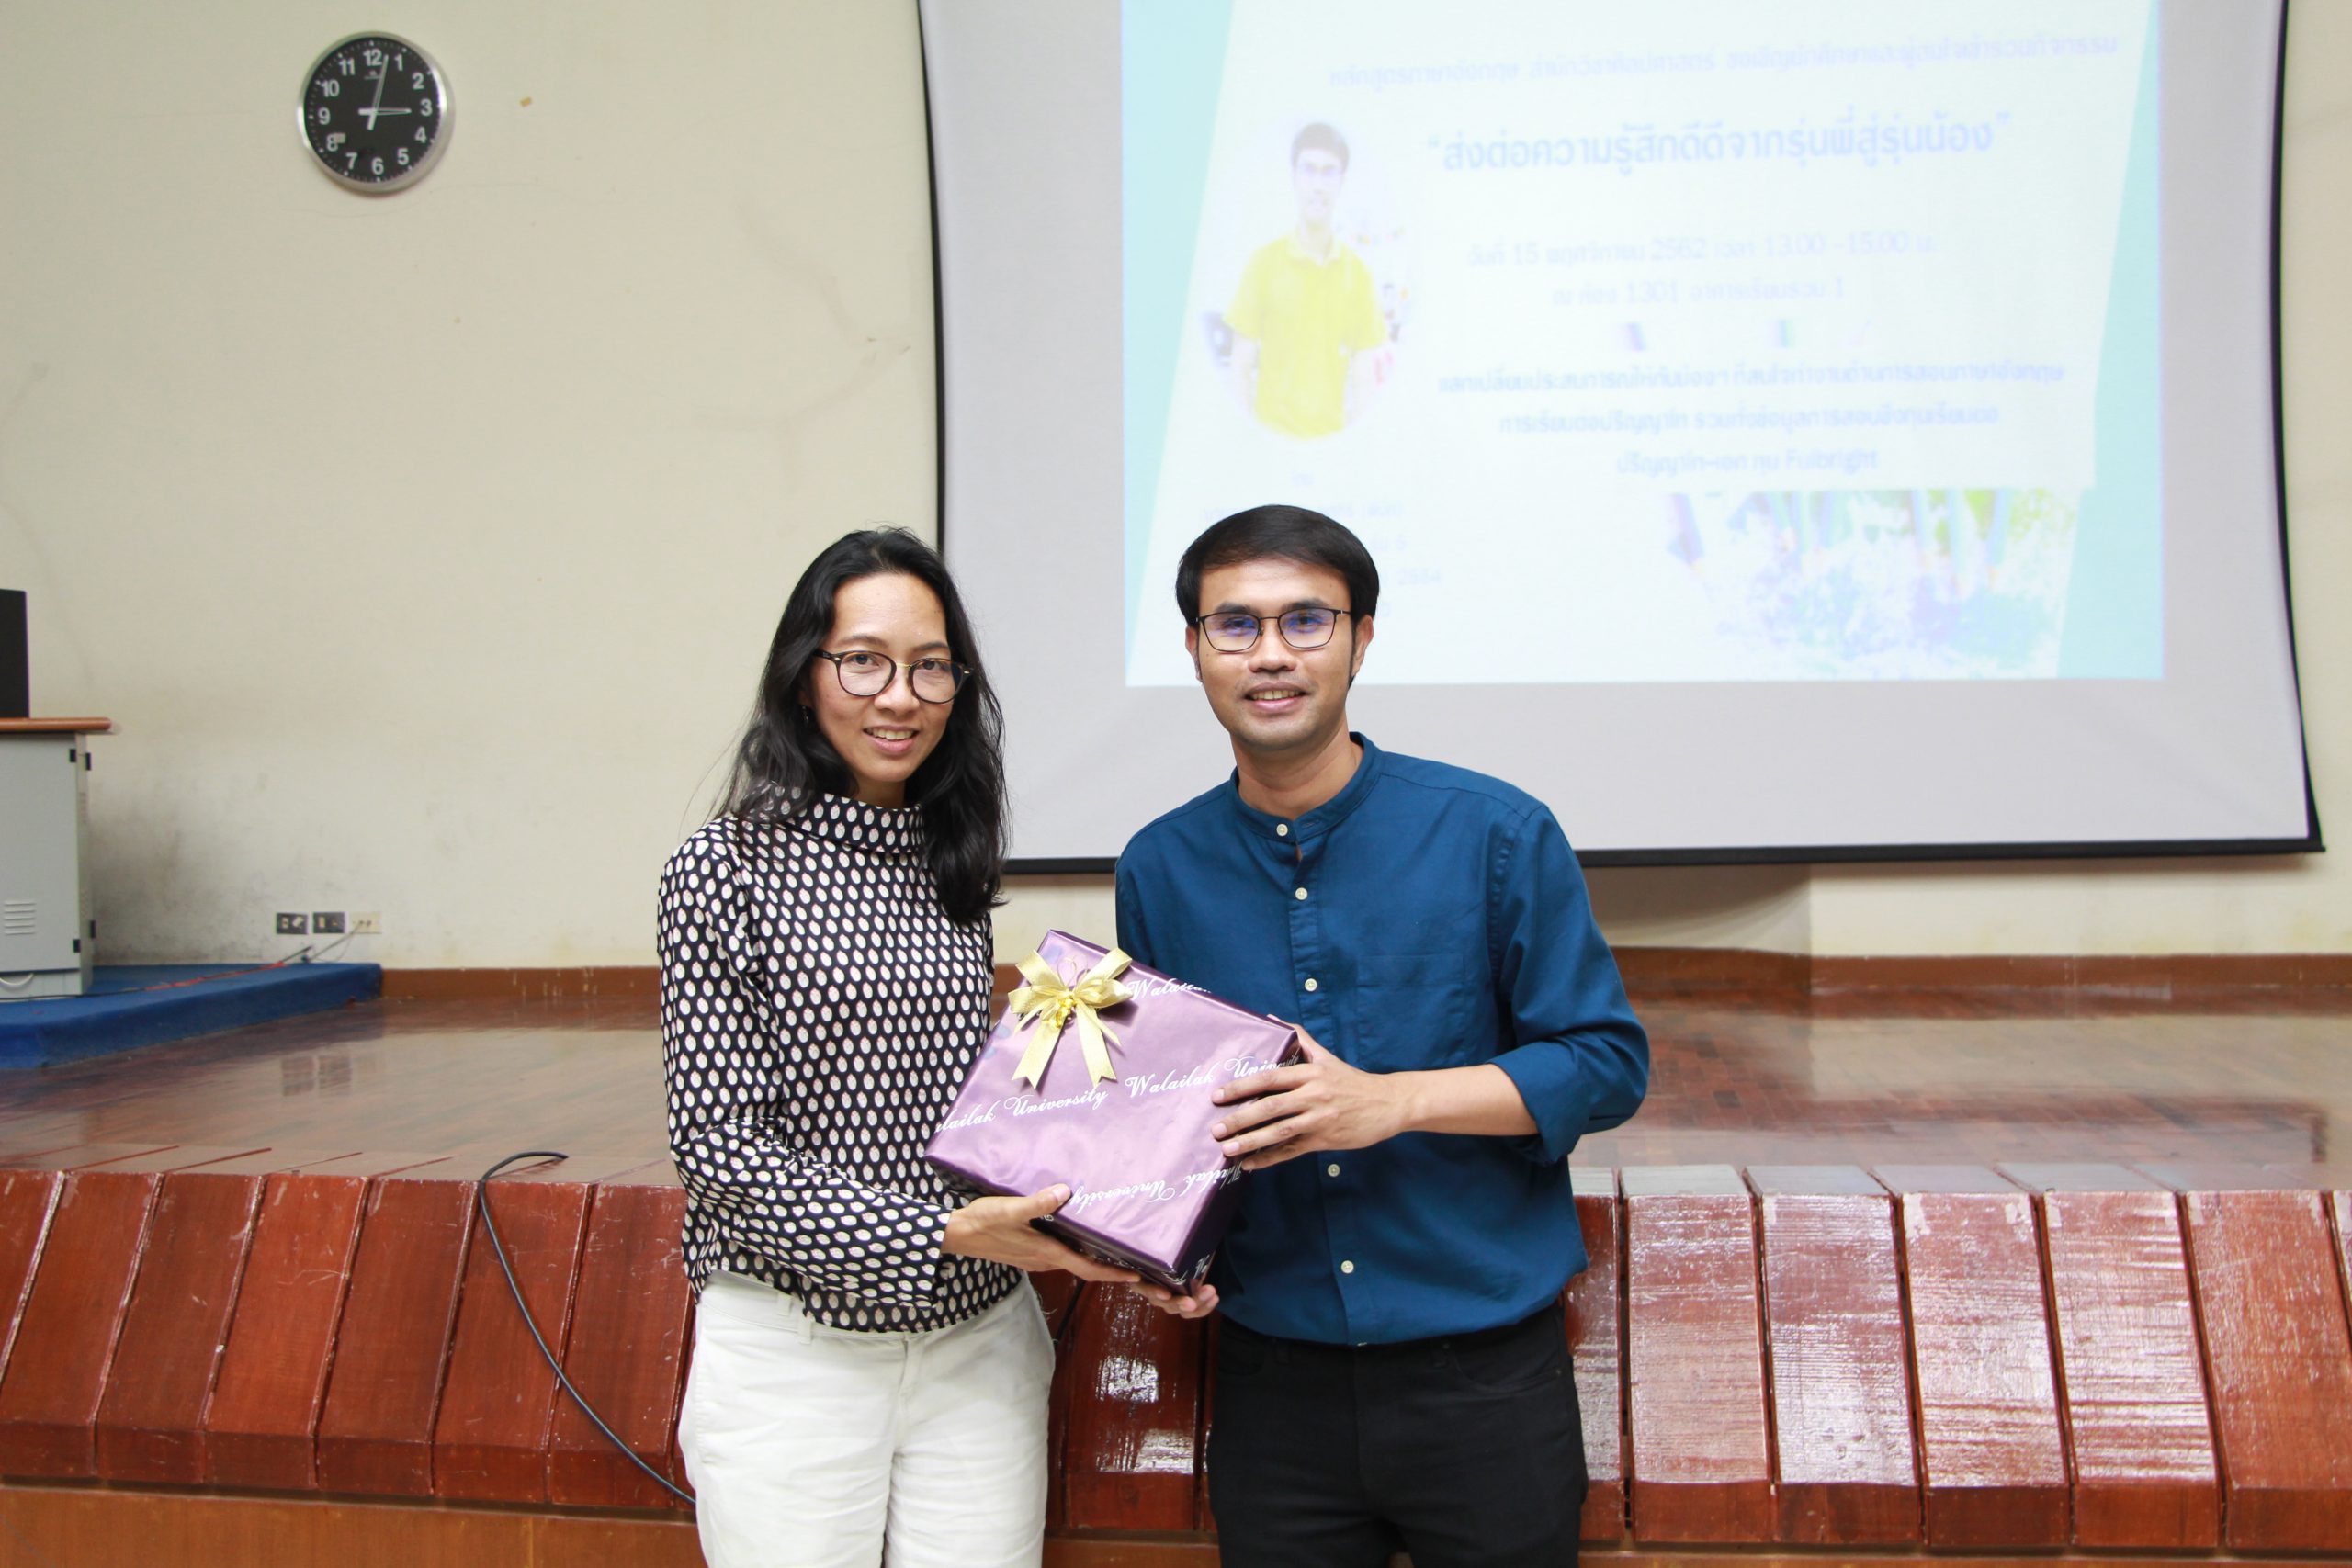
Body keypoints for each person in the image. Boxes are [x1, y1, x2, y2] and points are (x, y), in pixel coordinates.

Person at [1114, 504, 1649, 1568]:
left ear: (1360, 639)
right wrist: (1155, 1244)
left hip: (1483, 1382)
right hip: (1272, 1384)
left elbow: (1603, 1064)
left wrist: (1391, 1102)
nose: (1271, 654)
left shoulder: (1495, 832)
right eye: (1235, 625)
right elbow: (1172, 1114)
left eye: (1306, 621)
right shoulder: (1159, 867)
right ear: (1194, 649)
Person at [659, 528, 1135, 1568]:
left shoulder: (949, 864)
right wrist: (942, 1233)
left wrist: (1123, 1204)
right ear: (804, 676)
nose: (901, 696)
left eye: (930, 666)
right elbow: (717, 1148)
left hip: (979, 1342)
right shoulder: (722, 867)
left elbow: (961, 1114)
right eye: (864, 661)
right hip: (797, 1352)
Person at [1225, 123, 1391, 438]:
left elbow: (1364, 382)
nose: (1318, 185)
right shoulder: (1262, 265)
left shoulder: (1359, 276)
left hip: (1331, 446)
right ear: (1294, 177)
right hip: (1271, 445)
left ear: (1342, 181)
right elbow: (1240, 368)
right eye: (1309, 170)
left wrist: (1348, 450)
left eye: (1329, 172)